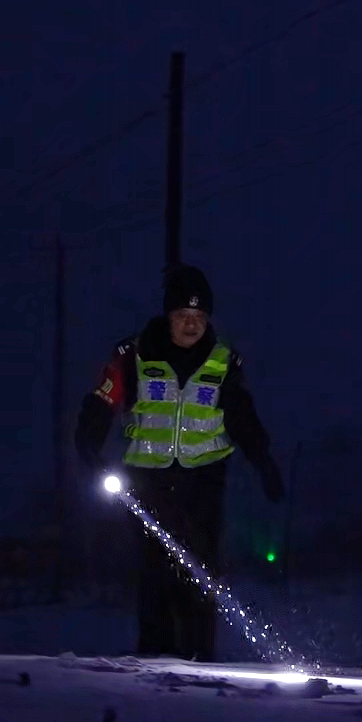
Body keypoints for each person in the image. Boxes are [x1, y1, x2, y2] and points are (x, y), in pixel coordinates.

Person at [74, 263, 285, 661]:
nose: (191, 324)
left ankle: (199, 659)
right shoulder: (134, 354)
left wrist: (264, 461)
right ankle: (156, 659)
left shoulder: (224, 361)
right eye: (183, 315)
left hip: (204, 479)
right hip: (148, 479)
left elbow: (243, 418)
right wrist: (88, 442)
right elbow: (103, 401)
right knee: (155, 568)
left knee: (200, 569)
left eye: (199, 316)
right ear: (168, 316)